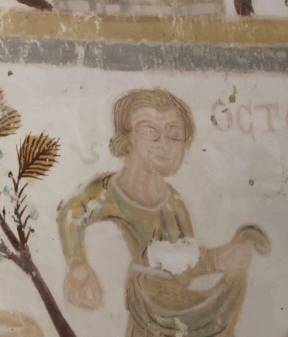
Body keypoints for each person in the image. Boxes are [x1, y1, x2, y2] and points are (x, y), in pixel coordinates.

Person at [60, 88, 269, 335]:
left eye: (174, 134)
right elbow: (71, 214)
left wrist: (219, 261)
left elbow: (182, 269)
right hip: (145, 309)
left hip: (168, 312)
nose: (164, 145)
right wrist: (78, 265)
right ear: (127, 139)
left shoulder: (173, 204)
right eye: (151, 133)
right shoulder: (110, 191)